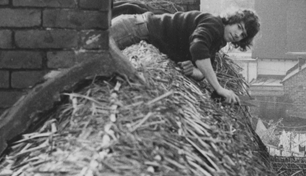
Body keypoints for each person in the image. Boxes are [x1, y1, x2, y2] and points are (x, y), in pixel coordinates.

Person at [109, 8, 260, 104]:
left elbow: (203, 68)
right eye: (239, 27)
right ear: (231, 20)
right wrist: (219, 88)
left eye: (243, 35)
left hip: (139, 29)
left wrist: (194, 71)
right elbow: (198, 47)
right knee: (96, 50)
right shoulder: (214, 24)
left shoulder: (218, 40)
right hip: (135, 27)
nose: (238, 34)